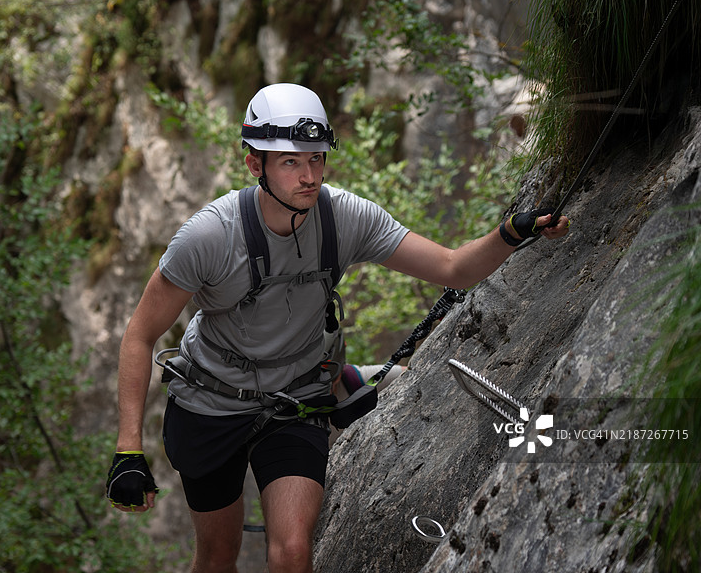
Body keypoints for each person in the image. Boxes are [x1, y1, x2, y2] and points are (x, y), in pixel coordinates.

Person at [105, 83, 570, 573]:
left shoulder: (344, 217)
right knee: (218, 557)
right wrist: (128, 450)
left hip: (295, 402)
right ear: (254, 165)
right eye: (290, 162)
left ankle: (346, 381)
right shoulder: (209, 236)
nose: (308, 176)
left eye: (316, 158)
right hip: (209, 405)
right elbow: (139, 335)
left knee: (291, 552)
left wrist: (512, 233)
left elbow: (453, 268)